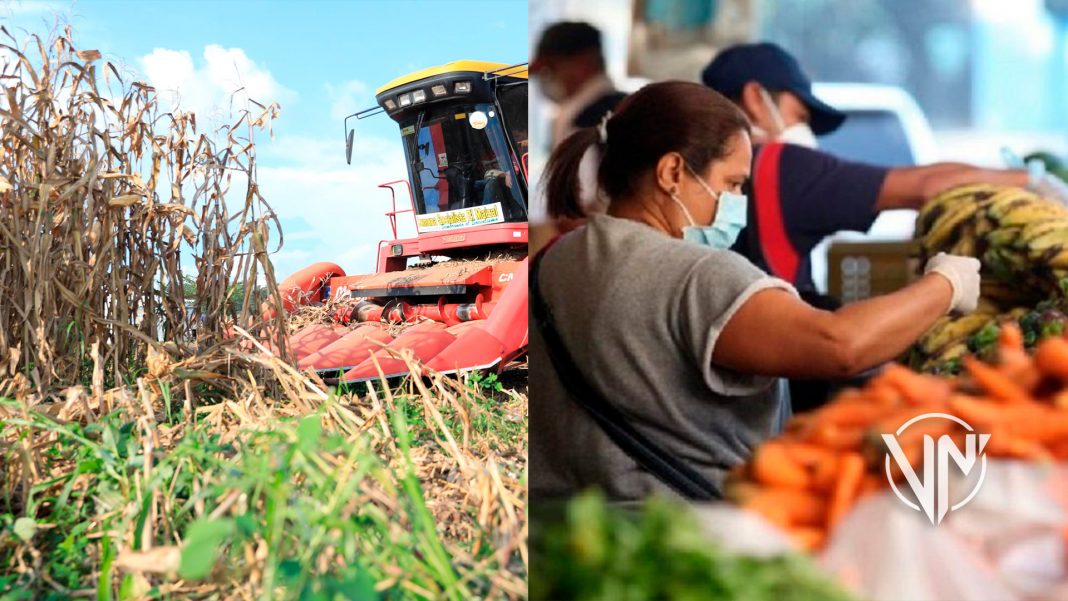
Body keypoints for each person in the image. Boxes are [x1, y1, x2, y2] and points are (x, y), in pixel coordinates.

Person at [529, 80, 981, 502]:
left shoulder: (552, 261)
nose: (737, 204)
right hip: (680, 542)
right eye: (733, 184)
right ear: (672, 172)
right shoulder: (697, 275)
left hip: (560, 537)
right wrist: (946, 283)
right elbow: (841, 344)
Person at [701, 42, 1068, 411]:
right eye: (800, 115)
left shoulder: (697, 174)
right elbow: (924, 186)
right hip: (774, 389)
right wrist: (1032, 181)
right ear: (754, 99)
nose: (803, 130)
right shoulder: (779, 167)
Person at [531, 21, 628, 149]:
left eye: (551, 68)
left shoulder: (583, 123)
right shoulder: (628, 107)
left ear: (584, 63)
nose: (546, 78)